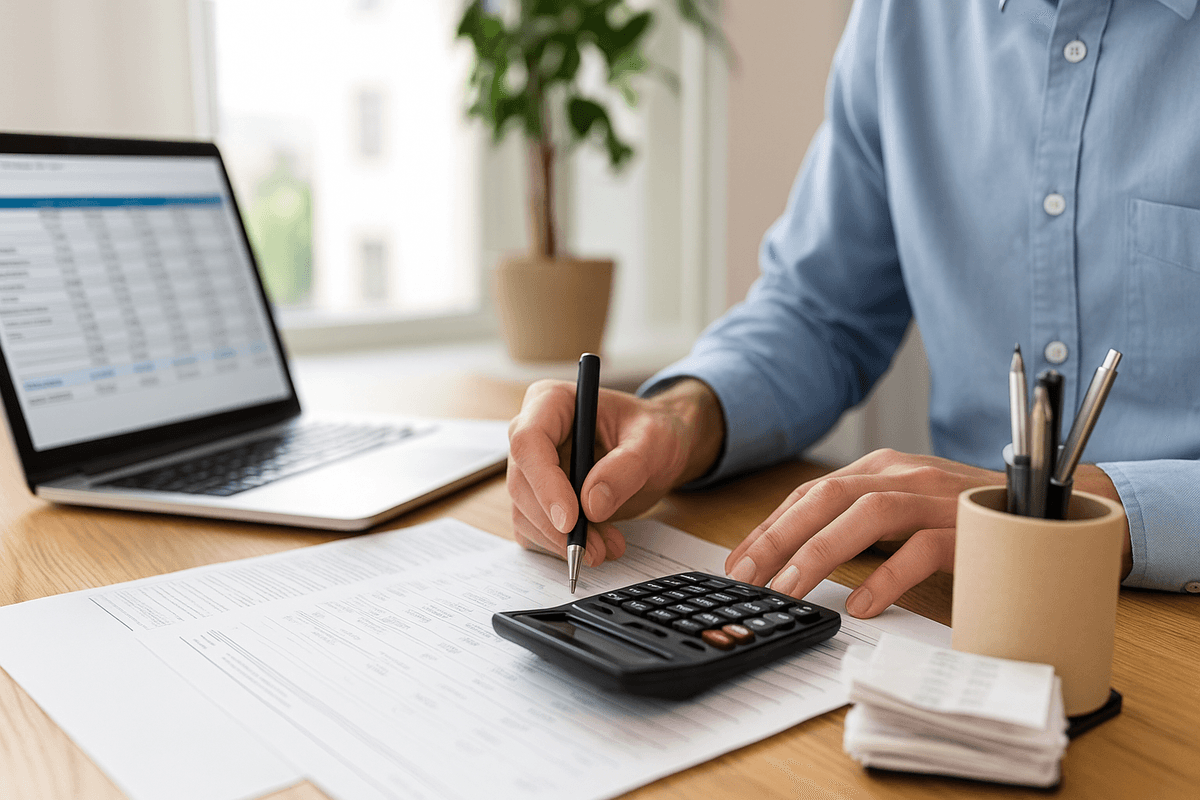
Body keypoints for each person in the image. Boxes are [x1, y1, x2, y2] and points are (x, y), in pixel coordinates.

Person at [506, 0, 1200, 617]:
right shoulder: (903, 17)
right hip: (949, 600)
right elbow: (820, 309)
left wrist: (1055, 507)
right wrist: (681, 421)